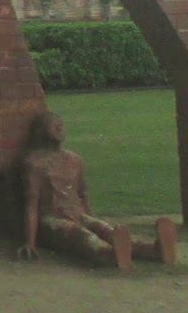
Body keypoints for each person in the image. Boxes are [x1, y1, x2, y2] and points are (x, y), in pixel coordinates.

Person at [17, 109, 176, 271]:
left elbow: (83, 195)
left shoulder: (75, 160)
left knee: (106, 230)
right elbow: (32, 204)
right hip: (53, 220)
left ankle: (153, 250)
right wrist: (30, 242)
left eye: (61, 126)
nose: (59, 129)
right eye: (53, 126)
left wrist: (92, 219)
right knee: (80, 235)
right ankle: (108, 253)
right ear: (41, 131)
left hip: (78, 214)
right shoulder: (35, 164)